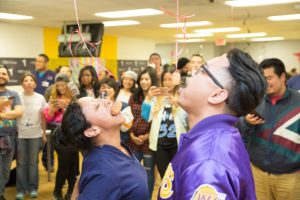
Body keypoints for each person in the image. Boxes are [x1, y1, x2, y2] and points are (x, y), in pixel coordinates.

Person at [158, 48, 267, 200]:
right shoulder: (216, 139)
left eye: (202, 71)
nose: (190, 75)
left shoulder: (207, 163)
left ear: (217, 95)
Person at [61, 97, 149, 199]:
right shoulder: (104, 172)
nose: (107, 100)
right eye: (97, 107)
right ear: (92, 131)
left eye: (99, 99)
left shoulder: (117, 148)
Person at [237, 58, 300, 200]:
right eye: (262, 79)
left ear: (283, 77)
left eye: (269, 78)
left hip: (290, 177)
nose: (265, 83)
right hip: (258, 174)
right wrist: (246, 122)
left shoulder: (298, 103)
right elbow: (239, 131)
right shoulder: (254, 101)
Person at [141, 66, 188, 178]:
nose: (167, 82)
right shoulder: (157, 98)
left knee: (178, 177)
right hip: (160, 146)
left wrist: (178, 104)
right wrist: (148, 98)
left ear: (176, 80)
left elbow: (188, 120)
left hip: (178, 145)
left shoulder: (183, 96)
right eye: (165, 80)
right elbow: (146, 117)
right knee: (165, 178)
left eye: (170, 79)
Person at [43, 73, 77, 200]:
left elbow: (78, 115)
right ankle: (57, 191)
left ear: (68, 85)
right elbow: (48, 118)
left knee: (72, 164)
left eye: (63, 85)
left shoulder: (74, 98)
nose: (61, 88)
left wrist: (66, 107)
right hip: (59, 135)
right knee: (64, 164)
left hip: (73, 134)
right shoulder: (53, 97)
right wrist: (52, 110)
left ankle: (70, 191)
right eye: (58, 86)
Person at [16, 73, 46, 200]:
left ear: (35, 84)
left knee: (33, 163)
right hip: (20, 135)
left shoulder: (40, 98)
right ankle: (21, 190)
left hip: (35, 135)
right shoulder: (17, 97)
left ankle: (33, 188)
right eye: (25, 80)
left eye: (31, 80)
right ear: (22, 84)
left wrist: (44, 133)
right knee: (21, 163)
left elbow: (44, 117)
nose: (28, 82)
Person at [128, 67, 158, 198]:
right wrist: (131, 135)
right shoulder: (133, 97)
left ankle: (148, 196)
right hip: (133, 140)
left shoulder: (157, 98)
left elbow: (156, 119)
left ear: (152, 81)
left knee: (148, 172)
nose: (144, 81)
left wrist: (147, 136)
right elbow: (128, 117)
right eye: (142, 79)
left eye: (147, 79)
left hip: (149, 141)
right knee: (131, 170)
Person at [0, 65, 23, 200]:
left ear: (8, 77)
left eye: (4, 73)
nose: (1, 76)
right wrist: (8, 114)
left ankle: (1, 193)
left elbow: (19, 112)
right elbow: (13, 113)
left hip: (8, 137)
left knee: (4, 169)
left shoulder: (13, 94)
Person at [99, 78, 134, 143]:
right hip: (100, 144)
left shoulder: (124, 106)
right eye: (103, 88)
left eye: (109, 88)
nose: (106, 90)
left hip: (118, 144)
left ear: (115, 91)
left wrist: (117, 113)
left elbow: (125, 128)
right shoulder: (95, 106)